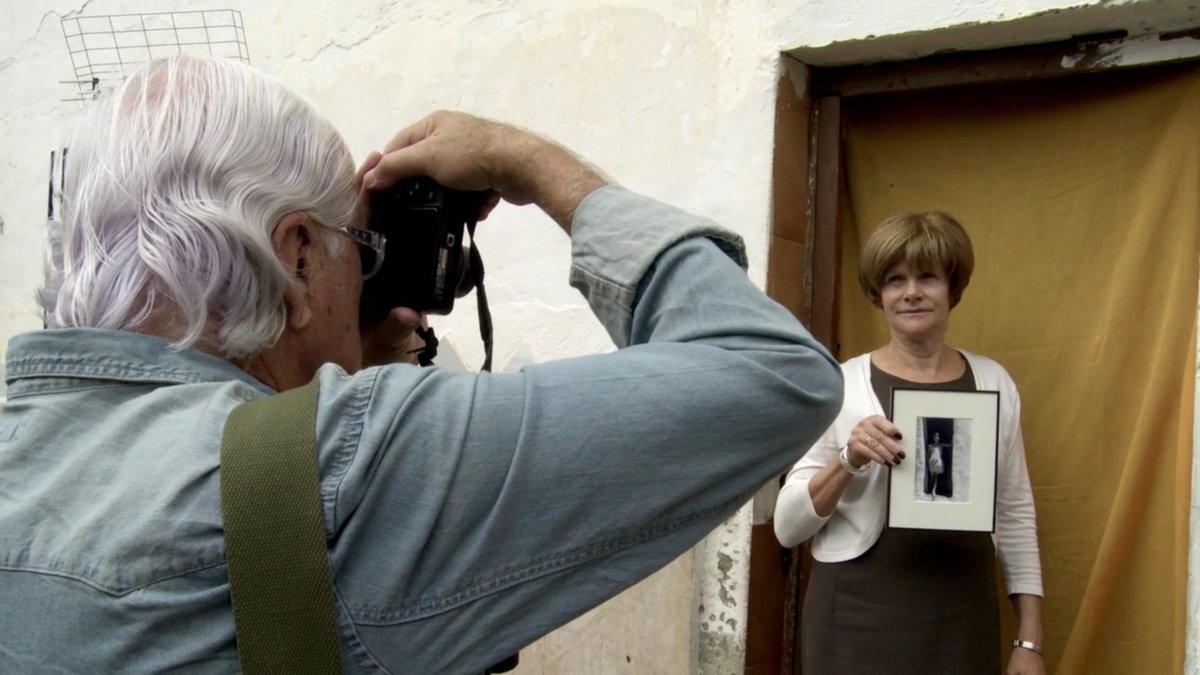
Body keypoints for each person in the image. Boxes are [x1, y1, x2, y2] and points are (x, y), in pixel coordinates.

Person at [0, 56, 843, 673]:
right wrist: (532, 162)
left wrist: (319, 346)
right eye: (352, 248)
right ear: (294, 256)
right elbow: (771, 373)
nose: (364, 275)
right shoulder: (336, 463)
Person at [772, 212, 1045, 675]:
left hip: (963, 618)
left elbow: (1015, 512)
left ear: (953, 289)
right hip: (855, 620)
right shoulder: (840, 386)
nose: (911, 291)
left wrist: (1029, 641)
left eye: (928, 277)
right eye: (895, 279)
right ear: (878, 294)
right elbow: (787, 526)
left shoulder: (994, 382)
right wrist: (849, 459)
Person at [926, 430, 945, 496]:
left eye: (937, 437)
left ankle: (934, 490)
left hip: (938, 462)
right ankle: (930, 489)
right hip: (931, 462)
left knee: (936, 477)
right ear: (933, 438)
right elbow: (928, 455)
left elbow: (941, 454)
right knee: (932, 477)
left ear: (939, 438)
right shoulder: (930, 446)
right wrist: (927, 463)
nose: (936, 438)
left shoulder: (940, 446)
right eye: (935, 437)